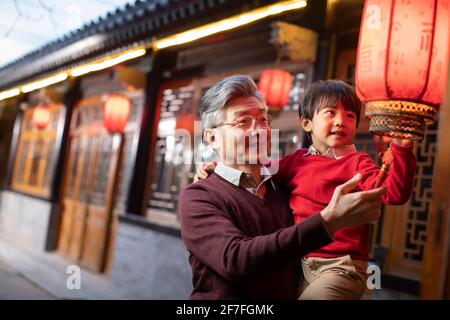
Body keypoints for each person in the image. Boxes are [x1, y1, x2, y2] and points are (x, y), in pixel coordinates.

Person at [180, 75, 385, 299]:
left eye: (263, 120)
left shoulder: (286, 186)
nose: (258, 130)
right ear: (212, 137)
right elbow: (236, 260)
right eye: (242, 121)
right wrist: (327, 222)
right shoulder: (198, 196)